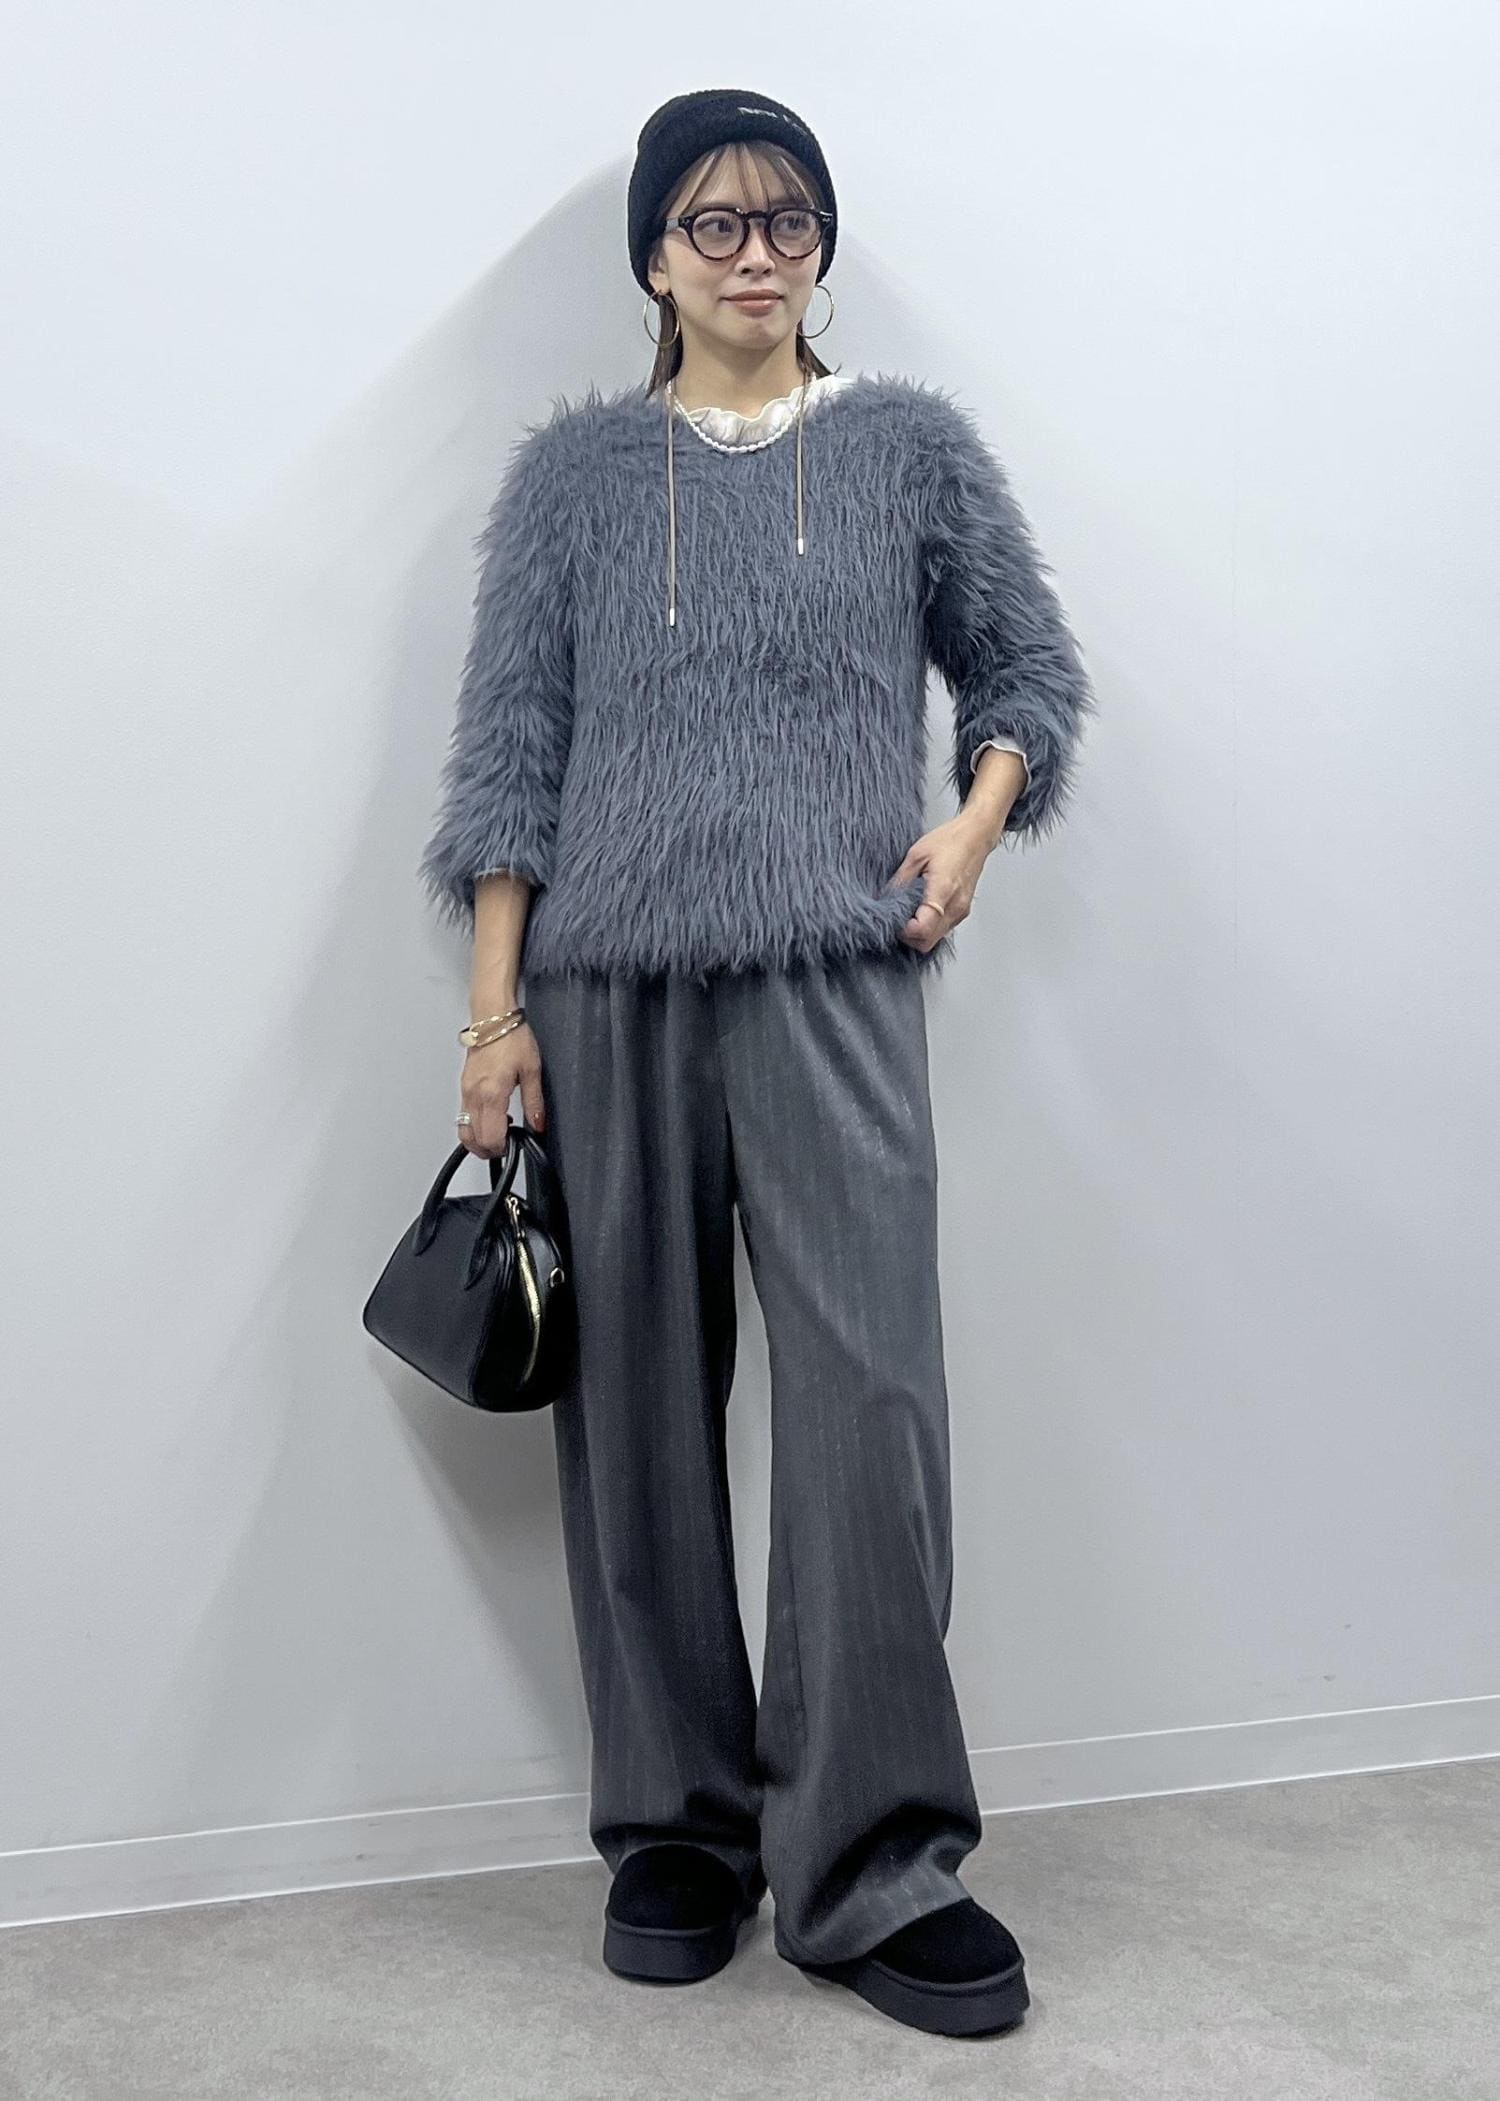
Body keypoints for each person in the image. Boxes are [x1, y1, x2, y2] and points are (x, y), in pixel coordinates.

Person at [418, 88, 1096, 2040]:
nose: (752, 253)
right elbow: (509, 759)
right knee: (634, 1407)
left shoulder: (907, 452)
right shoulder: (572, 482)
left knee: (871, 1407)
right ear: (653, 254)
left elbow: (1027, 677)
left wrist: (973, 827)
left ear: (822, 247)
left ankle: (875, 1856)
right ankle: (678, 1830)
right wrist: (492, 1020)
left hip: (836, 974)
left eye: (787, 219)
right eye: (711, 221)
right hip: (606, 990)